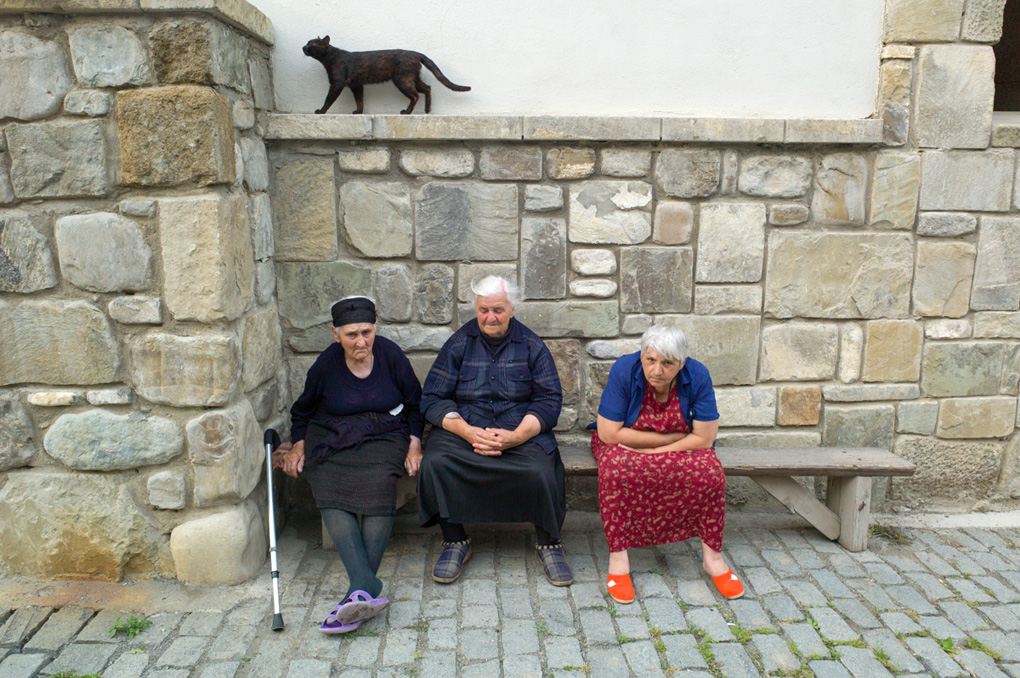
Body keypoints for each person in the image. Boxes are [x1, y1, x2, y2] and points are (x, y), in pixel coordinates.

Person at [274, 296, 424, 634]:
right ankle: (365, 588)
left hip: (386, 433)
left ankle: (356, 593)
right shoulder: (326, 365)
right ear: (335, 334)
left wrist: (415, 442)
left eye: (367, 332)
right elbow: (303, 410)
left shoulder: (391, 356)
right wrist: (299, 443)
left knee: (381, 479)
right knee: (324, 477)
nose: (361, 341)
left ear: (375, 329)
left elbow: (416, 404)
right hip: (333, 433)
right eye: (352, 334)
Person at [417, 275, 572, 586]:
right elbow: (433, 398)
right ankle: (455, 539)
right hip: (466, 430)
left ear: (512, 309)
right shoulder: (459, 343)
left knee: (542, 469)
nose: (490, 317)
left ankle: (549, 541)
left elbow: (549, 399)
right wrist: (468, 431)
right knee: (435, 462)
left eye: (498, 310)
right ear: (476, 309)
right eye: (483, 310)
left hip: (518, 430)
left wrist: (515, 437)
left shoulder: (531, 345)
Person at [591, 324, 744, 604]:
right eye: (650, 360)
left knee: (710, 475)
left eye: (667, 363)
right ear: (642, 357)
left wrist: (659, 449)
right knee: (614, 471)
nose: (657, 371)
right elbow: (608, 433)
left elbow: (706, 438)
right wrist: (671, 438)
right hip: (624, 445)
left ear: (682, 363)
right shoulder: (624, 370)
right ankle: (618, 558)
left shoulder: (697, 375)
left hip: (676, 447)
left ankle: (713, 558)